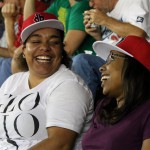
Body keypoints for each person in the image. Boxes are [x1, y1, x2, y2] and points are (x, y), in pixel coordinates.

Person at [0, 12, 93, 150]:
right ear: (24, 50)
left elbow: (60, 144)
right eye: (36, 41)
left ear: (61, 50)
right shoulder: (12, 81)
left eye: (54, 42)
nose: (44, 47)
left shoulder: (69, 85)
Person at [72, 0, 150, 102]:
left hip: (135, 64)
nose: (91, 4)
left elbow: (139, 35)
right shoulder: (106, 12)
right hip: (114, 61)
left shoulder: (134, 2)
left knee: (82, 61)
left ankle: (83, 113)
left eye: (92, 0)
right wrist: (97, 35)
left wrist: (105, 20)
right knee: (69, 63)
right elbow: (114, 45)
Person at [82, 35, 150, 150]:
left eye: (111, 59)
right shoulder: (104, 106)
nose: (101, 67)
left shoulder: (147, 111)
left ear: (134, 67)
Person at [0, 0, 48, 86]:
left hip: (40, 64)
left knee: (6, 63)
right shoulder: (20, 14)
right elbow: (15, 51)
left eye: (2, 0)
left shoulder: (36, 8)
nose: (1, 5)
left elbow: (16, 53)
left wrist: (8, 20)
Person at [23, 0, 96, 56]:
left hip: (83, 64)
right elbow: (30, 25)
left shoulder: (84, 4)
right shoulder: (62, 2)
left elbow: (67, 50)